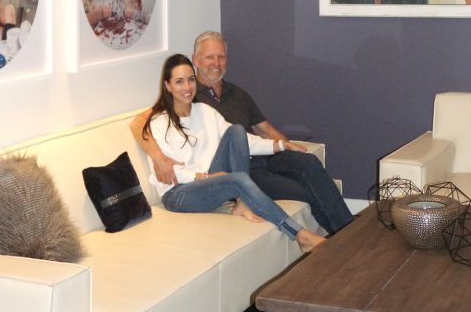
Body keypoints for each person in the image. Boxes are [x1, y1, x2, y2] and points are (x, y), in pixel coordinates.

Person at [131, 31, 353, 235]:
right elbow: (142, 122)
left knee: (309, 162)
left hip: (258, 155)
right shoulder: (184, 100)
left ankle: (351, 230)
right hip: (241, 169)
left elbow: (262, 128)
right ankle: (338, 240)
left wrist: (284, 144)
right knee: (303, 191)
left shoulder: (233, 95)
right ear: (196, 60)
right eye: (209, 57)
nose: (216, 64)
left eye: (221, 57)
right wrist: (159, 158)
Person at [142, 53, 326, 252]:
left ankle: (242, 202)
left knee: (237, 130)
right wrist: (206, 176)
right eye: (179, 82)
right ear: (168, 86)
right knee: (237, 180)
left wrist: (280, 145)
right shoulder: (159, 122)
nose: (187, 87)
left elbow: (244, 140)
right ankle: (299, 234)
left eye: (190, 80)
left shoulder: (204, 111)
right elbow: (171, 174)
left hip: (209, 182)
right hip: (178, 193)